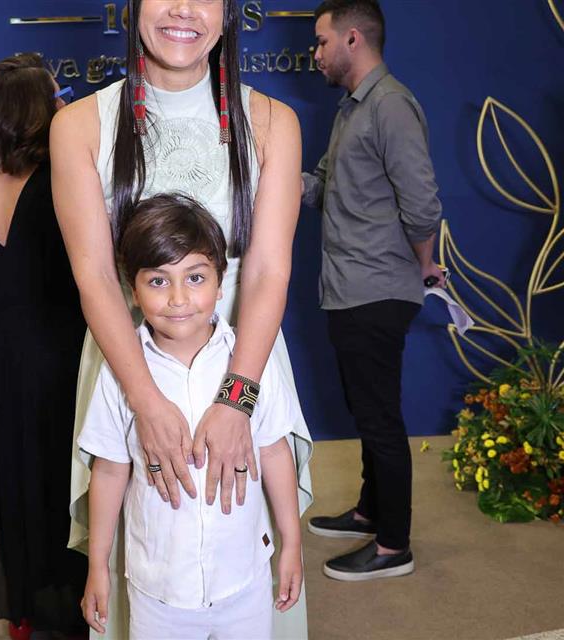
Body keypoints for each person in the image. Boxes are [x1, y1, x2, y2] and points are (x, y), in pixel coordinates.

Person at [51, 2, 312, 637]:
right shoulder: (79, 126)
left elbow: (268, 270)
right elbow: (95, 275)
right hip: (127, 364)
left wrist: (238, 399)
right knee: (145, 553)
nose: (183, 11)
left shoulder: (273, 122)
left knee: (245, 543)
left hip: (245, 359)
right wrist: (144, 400)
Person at [78, 194, 304, 639]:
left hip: (244, 578)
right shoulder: (120, 374)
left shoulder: (249, 364)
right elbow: (108, 469)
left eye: (195, 277)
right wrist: (98, 564)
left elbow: (276, 452)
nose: (178, 298)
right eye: (158, 281)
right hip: (159, 589)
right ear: (133, 290)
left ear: (220, 284)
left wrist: (292, 541)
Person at [0, 53, 87, 639]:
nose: (64, 103)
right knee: (62, 477)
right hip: (59, 351)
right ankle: (70, 607)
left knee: (10, 476)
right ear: (39, 112)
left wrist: (7, 296)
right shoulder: (62, 184)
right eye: (57, 96)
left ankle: (23, 608)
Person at [301, 0, 444, 581]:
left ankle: (392, 546)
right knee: (366, 409)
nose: (315, 54)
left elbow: (423, 203)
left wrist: (425, 266)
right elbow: (325, 189)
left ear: (353, 39)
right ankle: (369, 511)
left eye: (321, 41)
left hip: (376, 289)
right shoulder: (351, 109)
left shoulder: (390, 105)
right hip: (349, 287)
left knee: (380, 417)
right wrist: (271, 171)